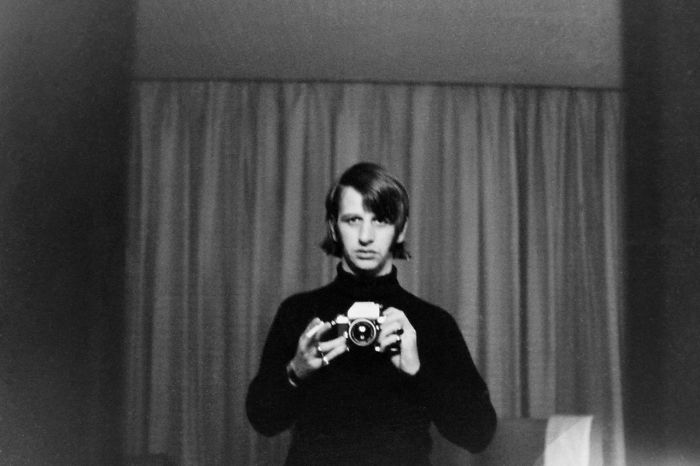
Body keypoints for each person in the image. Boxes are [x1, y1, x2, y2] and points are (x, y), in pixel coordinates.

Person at [246, 162, 496, 465]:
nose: (366, 236)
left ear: (401, 230)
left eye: (381, 220)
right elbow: (263, 421)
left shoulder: (432, 323)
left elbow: (479, 434)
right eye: (353, 220)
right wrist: (296, 371)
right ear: (334, 227)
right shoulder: (299, 313)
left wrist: (419, 371)